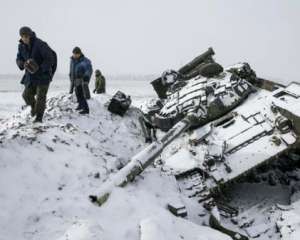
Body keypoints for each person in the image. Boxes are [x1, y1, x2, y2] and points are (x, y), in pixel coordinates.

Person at [16, 26, 57, 123]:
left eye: (26, 36)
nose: (24, 38)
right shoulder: (21, 46)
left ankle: (38, 119)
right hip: (30, 77)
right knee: (26, 95)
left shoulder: (40, 44)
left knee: (40, 97)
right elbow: (18, 59)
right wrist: (22, 64)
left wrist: (40, 69)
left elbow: (50, 59)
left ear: (30, 35)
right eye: (22, 36)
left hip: (43, 76)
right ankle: (35, 109)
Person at [69, 47, 93, 114]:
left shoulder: (84, 61)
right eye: (74, 54)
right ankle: (80, 105)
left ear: (80, 53)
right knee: (77, 93)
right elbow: (71, 70)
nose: (75, 55)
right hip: (75, 79)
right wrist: (70, 76)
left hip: (81, 79)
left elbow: (89, 70)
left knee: (81, 94)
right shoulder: (72, 60)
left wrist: (86, 77)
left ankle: (86, 109)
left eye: (77, 54)